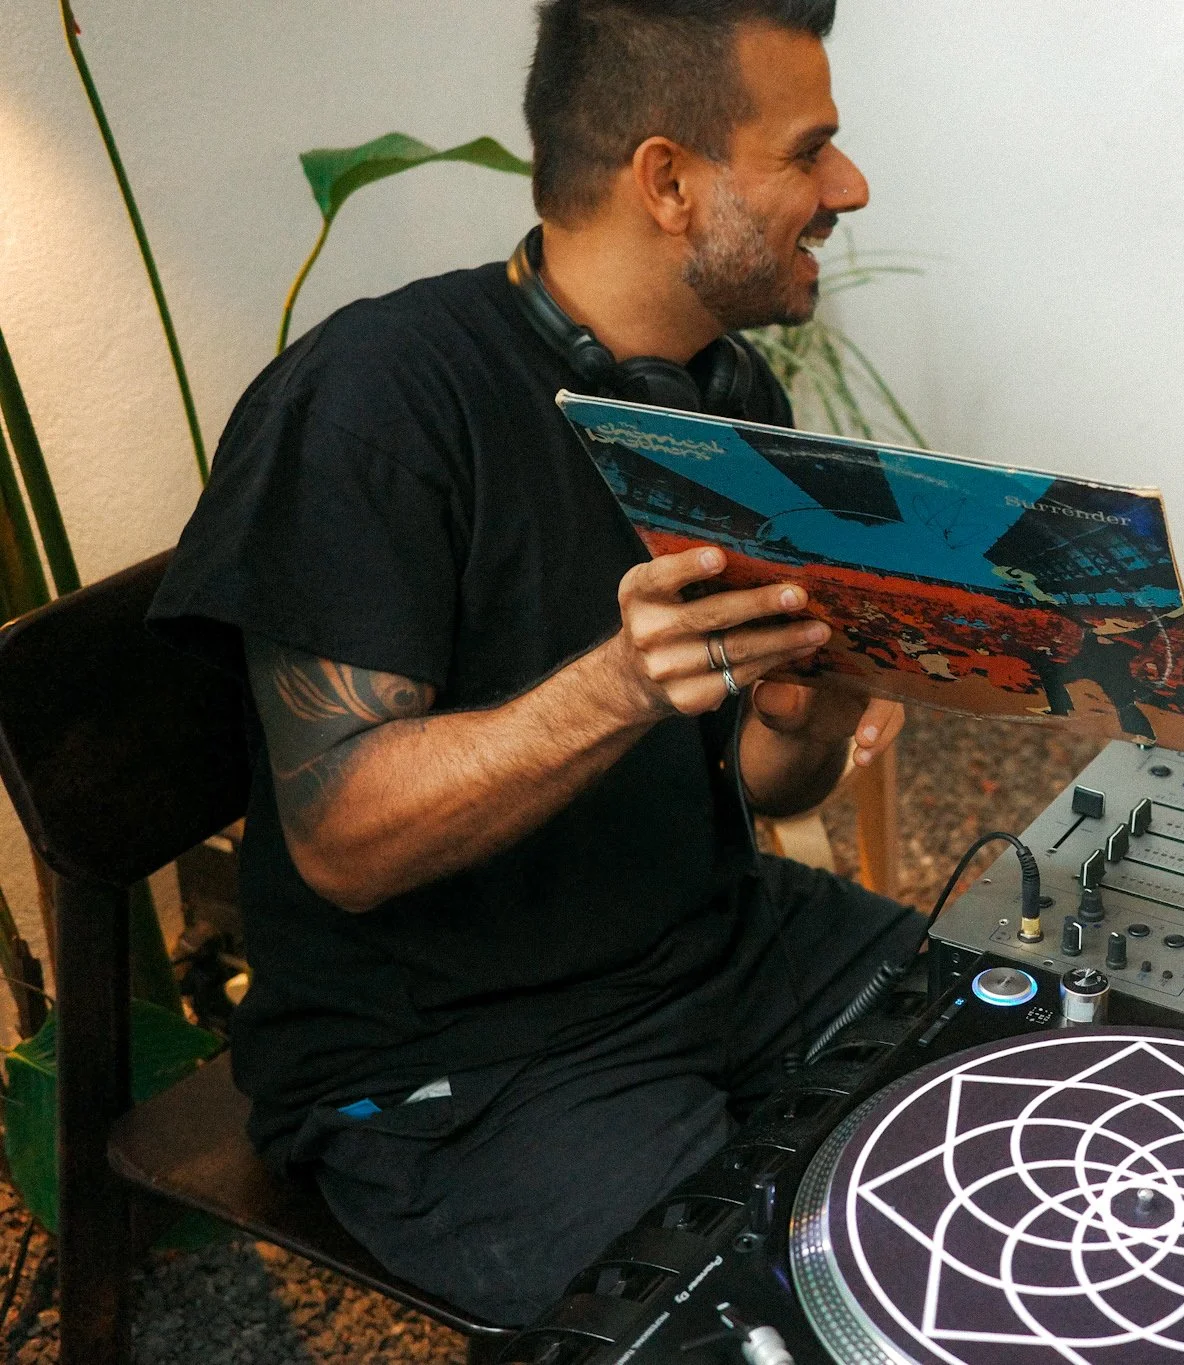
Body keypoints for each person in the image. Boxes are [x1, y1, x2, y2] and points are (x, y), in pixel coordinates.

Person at [148, 0, 925, 1326]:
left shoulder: (728, 397)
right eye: (808, 151)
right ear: (667, 181)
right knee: (747, 1317)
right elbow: (340, 841)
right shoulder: (374, 403)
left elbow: (764, 784)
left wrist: (812, 704)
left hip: (712, 945)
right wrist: (617, 684)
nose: (847, 187)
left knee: (1022, 1056)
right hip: (454, 1061)